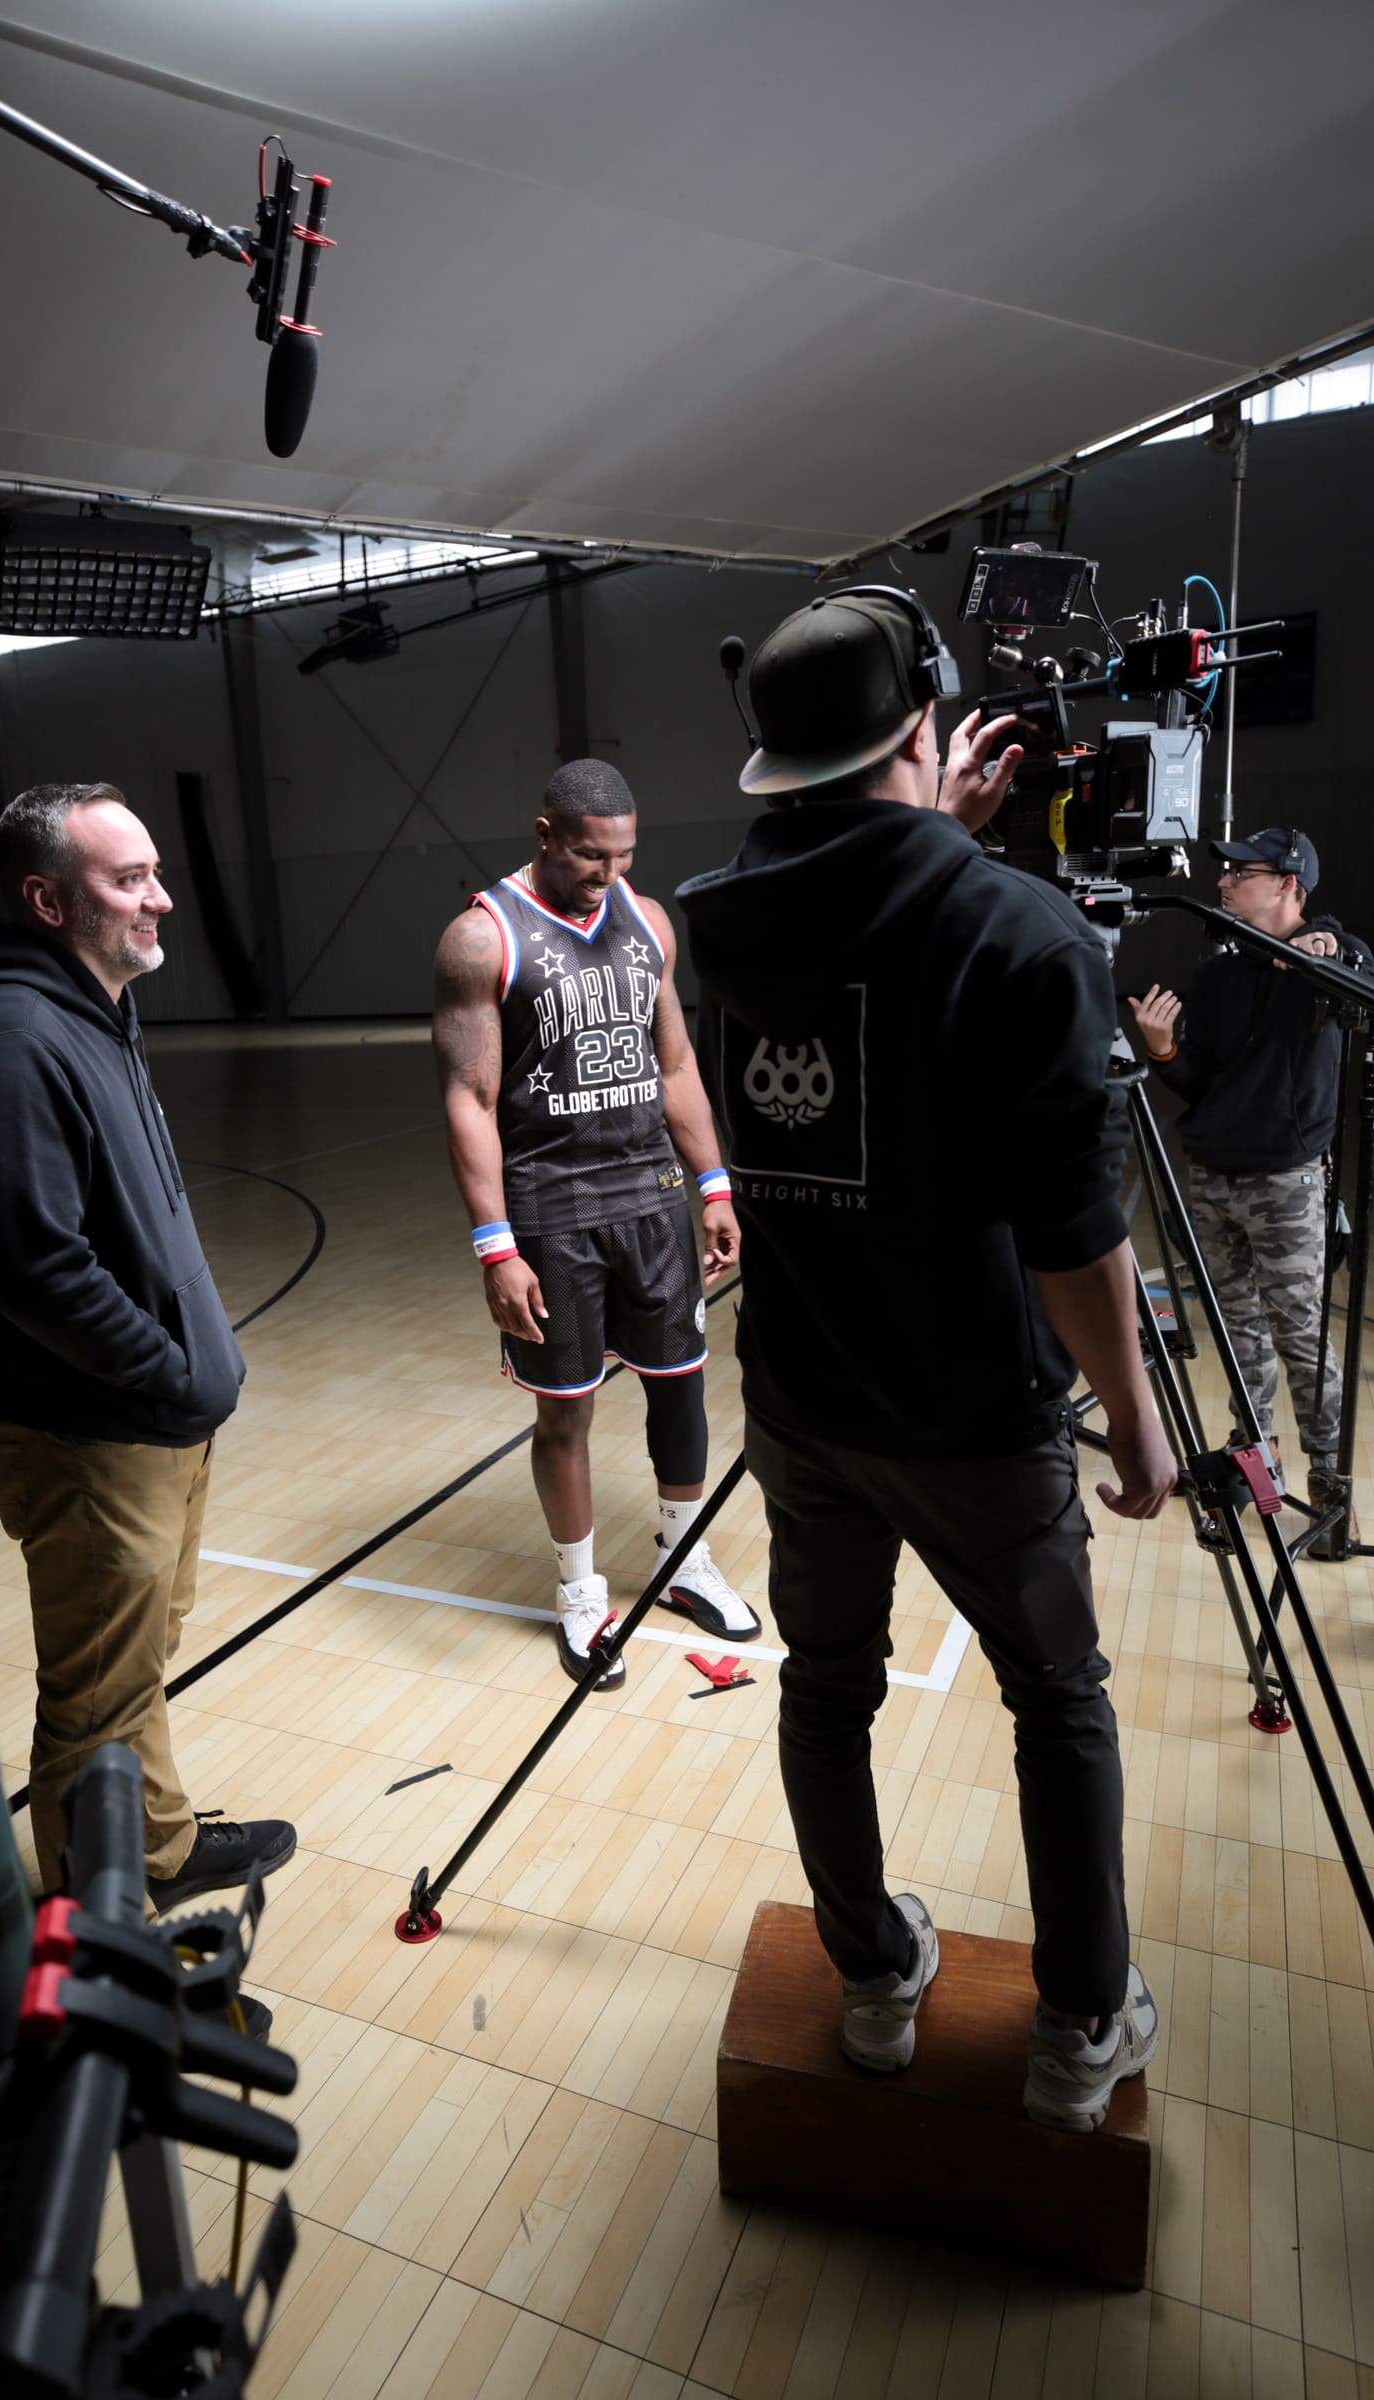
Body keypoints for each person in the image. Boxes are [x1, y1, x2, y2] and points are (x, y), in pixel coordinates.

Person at [677, 588, 1178, 2133]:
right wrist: (1143, 1427)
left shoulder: (716, 917)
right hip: (975, 1414)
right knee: (1059, 1700)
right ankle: (1080, 2024)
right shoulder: (1020, 927)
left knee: (824, 1691)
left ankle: (875, 1979)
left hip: (806, 1402)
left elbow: (857, 948)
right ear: (926, 732)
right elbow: (1072, 1230)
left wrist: (929, 831)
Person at [0, 782, 296, 1910]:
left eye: (153, 873)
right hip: (91, 1435)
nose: (164, 899)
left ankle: (163, 1848)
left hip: (150, 1424)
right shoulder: (8, 1041)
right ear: (46, 899)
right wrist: (175, 1371)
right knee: (92, 1703)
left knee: (129, 1675)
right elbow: (39, 1272)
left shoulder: (93, 1012)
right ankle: (97, 1956)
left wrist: (188, 1383)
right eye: (128, 879)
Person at [432, 757, 761, 1691]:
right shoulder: (479, 938)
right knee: (565, 1412)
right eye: (588, 856)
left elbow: (678, 1065)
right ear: (545, 835)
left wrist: (715, 1184)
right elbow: (469, 1095)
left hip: (652, 1200)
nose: (607, 874)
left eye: (622, 854)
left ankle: (681, 1557)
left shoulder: (647, 920)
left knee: (682, 1389)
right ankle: (581, 1594)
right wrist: (495, 1246)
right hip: (552, 1213)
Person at [1129, 828, 1368, 1555]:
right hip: (1210, 1177)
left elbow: (1360, 973)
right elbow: (1196, 1079)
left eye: (1243, 871)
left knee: (1303, 1343)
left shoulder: (1330, 961)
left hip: (1286, 1185)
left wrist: (1330, 945)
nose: (1225, 880)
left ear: (1289, 885)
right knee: (1240, 1342)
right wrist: (1163, 1048)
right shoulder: (1219, 973)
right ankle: (1253, 1485)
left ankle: (1331, 1500)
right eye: (1225, 870)